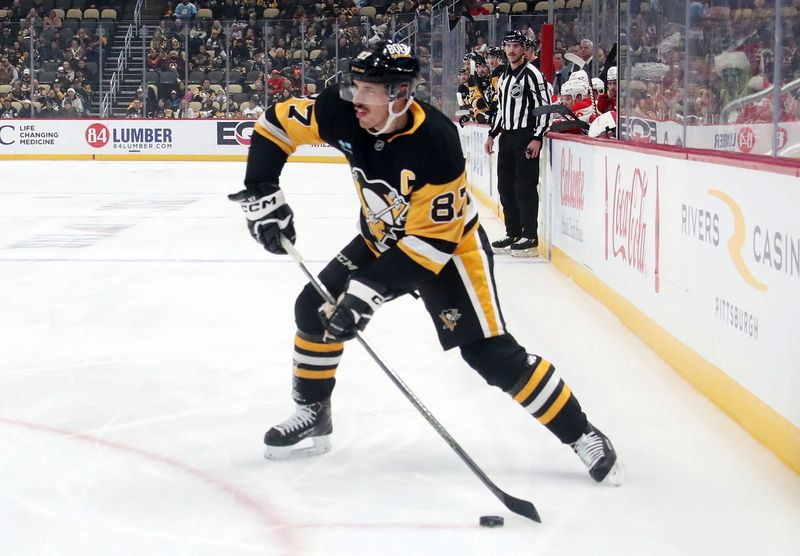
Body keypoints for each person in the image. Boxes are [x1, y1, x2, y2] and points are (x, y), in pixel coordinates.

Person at [228, 41, 623, 486]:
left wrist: (367, 293)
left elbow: (430, 244)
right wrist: (262, 190)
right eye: (356, 85)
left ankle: (582, 433)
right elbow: (273, 126)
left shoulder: (434, 142)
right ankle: (313, 413)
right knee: (313, 309)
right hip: (383, 238)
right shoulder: (341, 113)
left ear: (399, 94)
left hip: (450, 248)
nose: (357, 97)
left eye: (370, 90)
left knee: (490, 355)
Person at [484, 30, 551, 257]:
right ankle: (513, 232)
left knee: (524, 186)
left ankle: (530, 236)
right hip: (508, 137)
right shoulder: (504, 76)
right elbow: (502, 109)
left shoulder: (532, 74)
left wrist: (537, 137)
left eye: (516, 45)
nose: (511, 50)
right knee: (505, 186)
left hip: (525, 136)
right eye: (508, 45)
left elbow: (545, 107)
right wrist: (493, 134)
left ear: (524, 49)